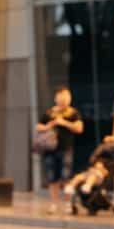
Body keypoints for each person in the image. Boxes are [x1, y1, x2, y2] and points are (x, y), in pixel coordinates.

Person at [36, 85, 84, 215]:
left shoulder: (73, 113)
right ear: (56, 98)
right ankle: (54, 203)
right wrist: (49, 125)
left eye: (66, 96)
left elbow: (80, 128)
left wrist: (64, 123)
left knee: (66, 176)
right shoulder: (49, 113)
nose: (63, 99)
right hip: (50, 149)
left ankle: (68, 203)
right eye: (61, 96)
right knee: (52, 177)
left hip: (66, 148)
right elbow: (38, 126)